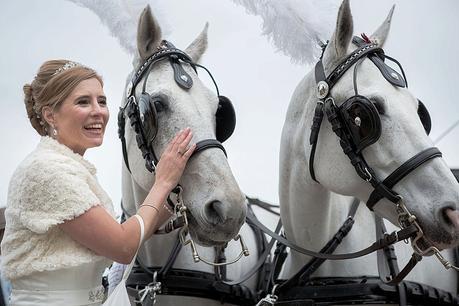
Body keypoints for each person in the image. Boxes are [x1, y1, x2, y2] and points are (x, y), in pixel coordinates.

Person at [0, 59, 195, 305]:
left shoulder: (69, 167)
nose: (99, 111)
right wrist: (163, 182)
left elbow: (131, 232)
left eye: (102, 101)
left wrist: (177, 196)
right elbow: (123, 246)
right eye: (83, 102)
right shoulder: (45, 171)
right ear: (50, 115)